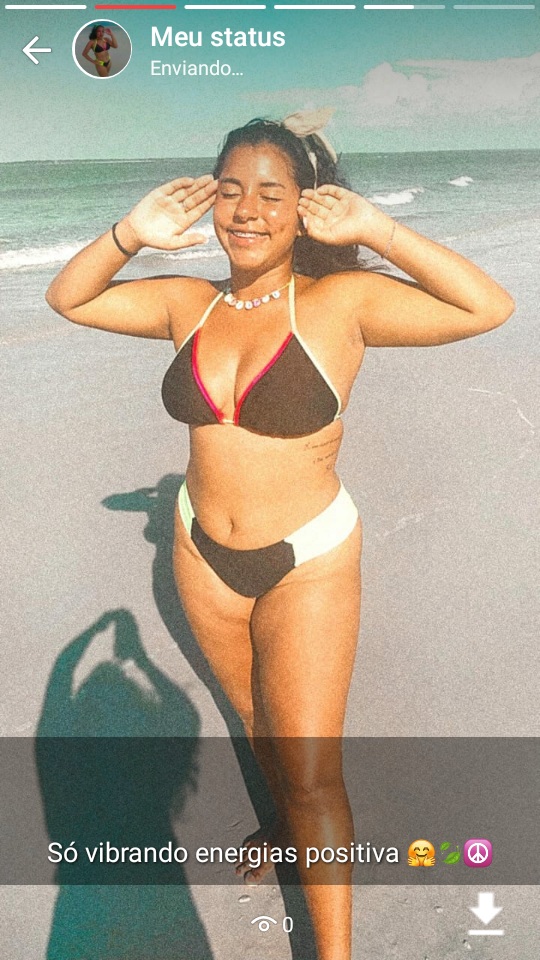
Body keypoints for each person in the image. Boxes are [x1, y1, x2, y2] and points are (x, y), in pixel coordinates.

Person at [46, 113, 514, 960]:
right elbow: (68, 298)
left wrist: (377, 228)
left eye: (271, 193)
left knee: (310, 767)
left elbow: (489, 306)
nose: (247, 210)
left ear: (306, 206)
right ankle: (282, 825)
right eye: (230, 190)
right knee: (260, 721)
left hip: (308, 561)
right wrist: (131, 232)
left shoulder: (342, 304)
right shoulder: (188, 304)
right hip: (201, 553)